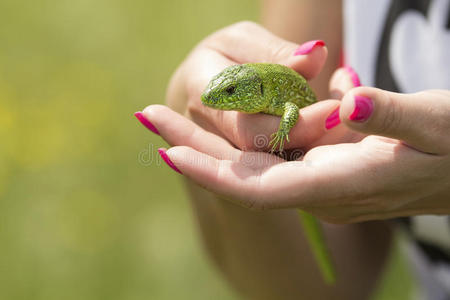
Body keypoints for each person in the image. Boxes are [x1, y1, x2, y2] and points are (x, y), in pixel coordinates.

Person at [135, 0, 450, 299]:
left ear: (254, 90)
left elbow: (291, 111)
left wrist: (282, 134)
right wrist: (225, 160)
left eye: (231, 93)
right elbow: (325, 291)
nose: (222, 97)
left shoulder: (271, 94)